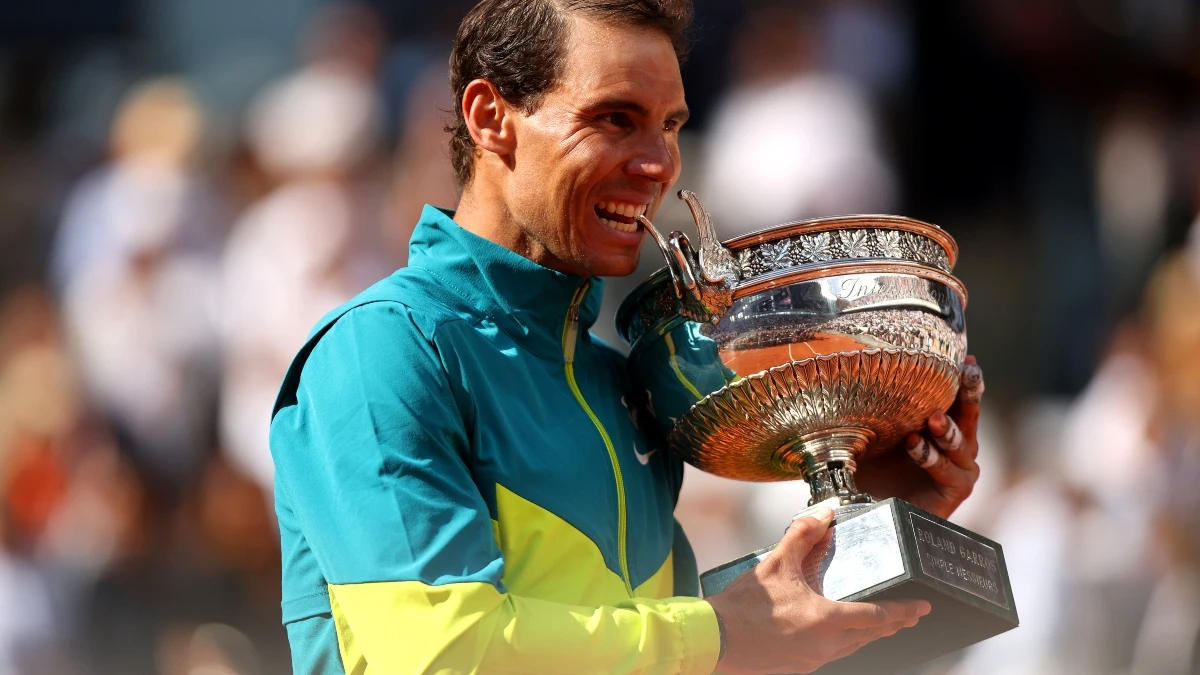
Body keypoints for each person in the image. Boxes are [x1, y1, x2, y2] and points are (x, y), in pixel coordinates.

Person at [268, 1, 985, 673]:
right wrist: (721, 633)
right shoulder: (383, 350)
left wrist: (870, 524)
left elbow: (657, 646)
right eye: (616, 119)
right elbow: (440, 652)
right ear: (491, 118)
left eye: (670, 126)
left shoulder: (621, 380)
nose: (658, 165)